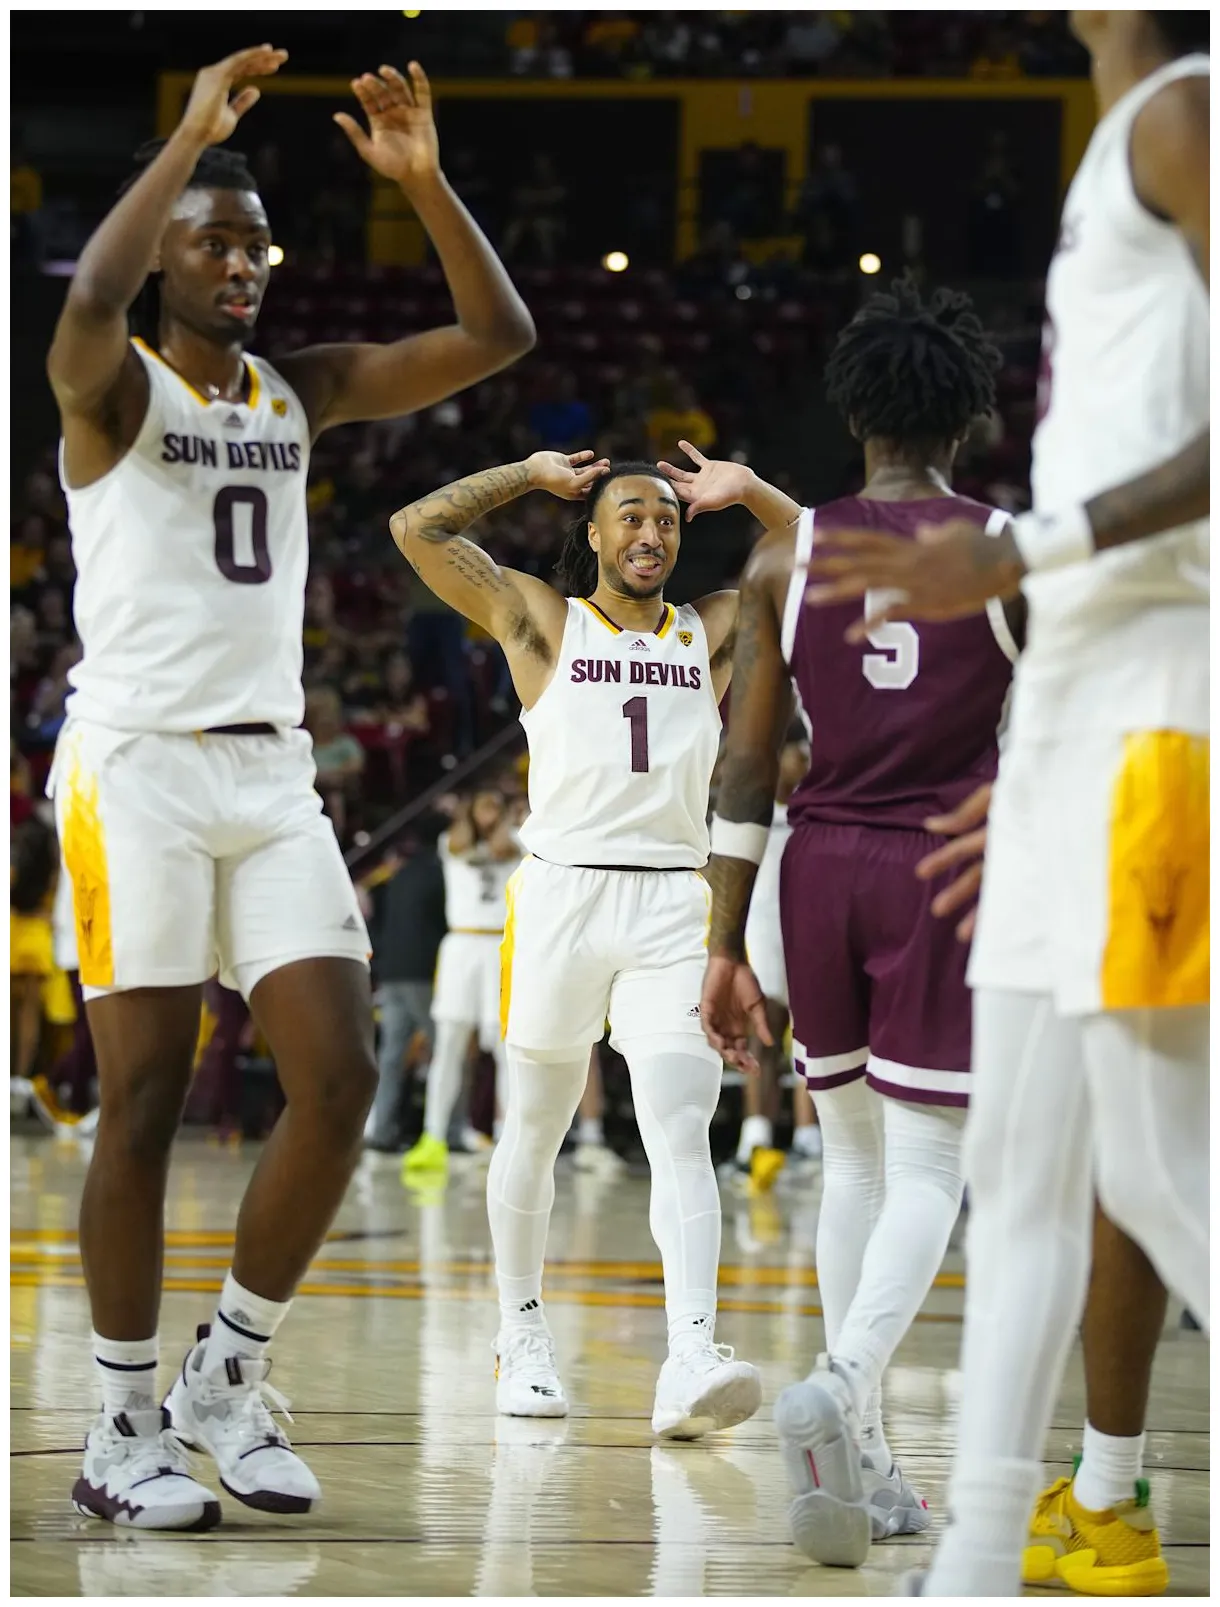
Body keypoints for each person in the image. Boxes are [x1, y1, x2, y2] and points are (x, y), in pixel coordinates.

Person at [45, 44, 534, 1531]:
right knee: (139, 1098)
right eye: (215, 238)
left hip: (270, 772)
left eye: (258, 239)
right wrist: (188, 133)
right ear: (167, 255)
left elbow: (497, 331)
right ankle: (119, 1414)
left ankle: (224, 1377)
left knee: (336, 1077)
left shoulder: (295, 392)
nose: (245, 259)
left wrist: (427, 182)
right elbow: (79, 306)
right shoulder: (109, 394)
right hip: (133, 769)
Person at [802, 13, 1208, 1595]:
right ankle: (975, 1560)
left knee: (1159, 1164)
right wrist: (1027, 755)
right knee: (1020, 1169)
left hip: (1166, 686)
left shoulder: (1186, 108)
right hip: (1074, 718)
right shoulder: (1120, 137)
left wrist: (1028, 553)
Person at [690, 277, 1021, 1565]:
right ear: (969, 416)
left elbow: (742, 763)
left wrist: (725, 941)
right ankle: (837, 1380)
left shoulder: (786, 552)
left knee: (857, 1161)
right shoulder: (1001, 551)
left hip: (812, 864)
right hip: (945, 863)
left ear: (852, 411)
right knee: (932, 1167)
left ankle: (866, 1453)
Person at [389, 447, 794, 1438]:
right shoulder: (542, 620)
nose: (649, 531)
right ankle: (518, 1329)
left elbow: (823, 555)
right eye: (628, 516)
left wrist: (748, 490)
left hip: (670, 901)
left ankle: (691, 1350)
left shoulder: (715, 629)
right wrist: (523, 475)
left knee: (678, 1127)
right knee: (532, 1127)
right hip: (561, 897)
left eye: (663, 517)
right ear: (594, 534)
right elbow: (417, 527)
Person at [402, 789, 520, 1176]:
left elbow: (508, 845)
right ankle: (433, 1135)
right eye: (483, 804)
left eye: (495, 806)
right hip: (461, 946)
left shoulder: (517, 841)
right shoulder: (450, 843)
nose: (489, 812)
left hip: (499, 947)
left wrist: (506, 824)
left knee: (504, 1048)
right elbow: (463, 845)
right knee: (449, 1045)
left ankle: (507, 1138)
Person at [722, 730, 821, 1190]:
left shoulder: (816, 811)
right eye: (794, 755)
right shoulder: (754, 811)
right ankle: (754, 1139)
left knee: (812, 1037)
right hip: (760, 930)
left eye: (805, 756)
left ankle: (808, 1138)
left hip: (806, 928)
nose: (801, 763)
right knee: (763, 1034)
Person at [363, 831, 448, 1153]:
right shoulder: (438, 874)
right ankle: (445, 1132)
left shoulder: (395, 878)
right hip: (421, 974)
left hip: (391, 973)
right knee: (447, 1051)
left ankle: (380, 1130)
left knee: (391, 1057)